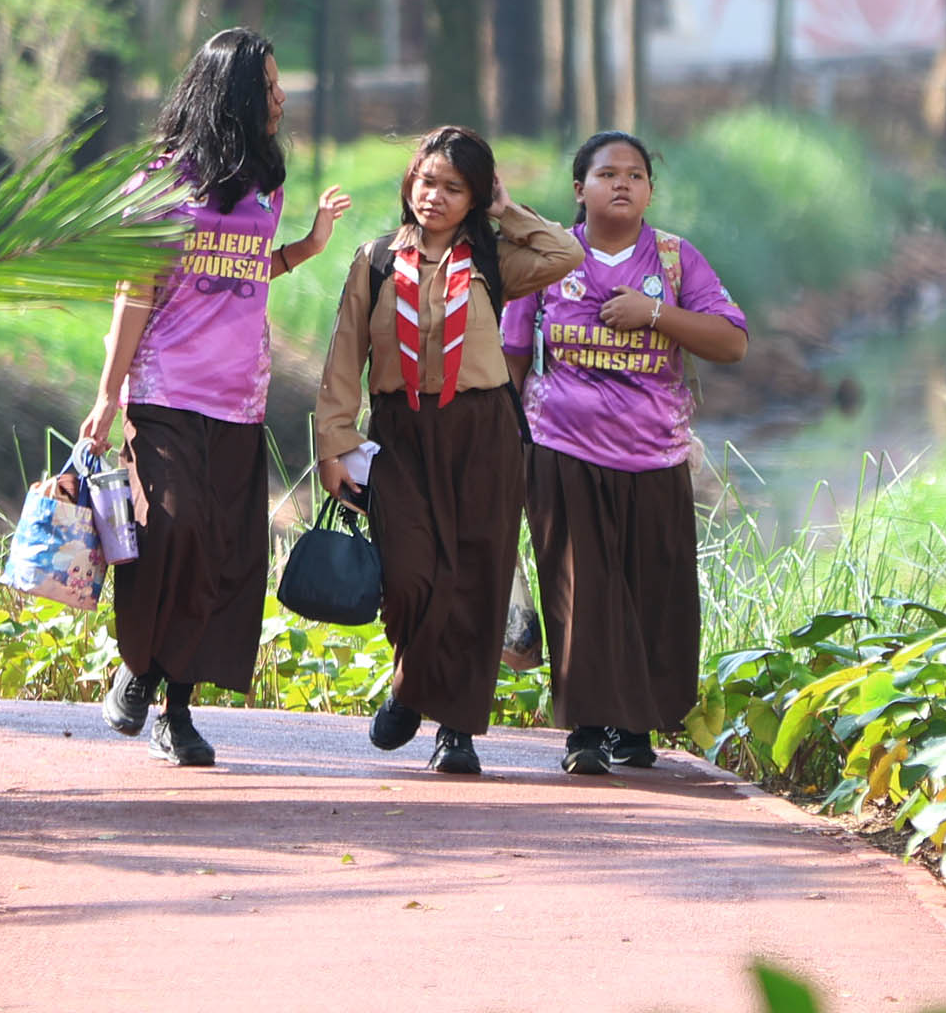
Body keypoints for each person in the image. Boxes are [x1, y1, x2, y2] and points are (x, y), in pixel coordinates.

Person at [79, 28, 350, 768]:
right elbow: (135, 292)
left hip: (241, 398)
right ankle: (138, 667)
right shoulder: (162, 183)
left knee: (224, 555)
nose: (281, 97)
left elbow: (247, 269)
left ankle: (177, 706)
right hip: (165, 391)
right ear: (231, 95)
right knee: (174, 532)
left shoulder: (267, 182)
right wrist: (108, 395)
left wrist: (306, 248)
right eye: (268, 86)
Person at [316, 126, 578, 776]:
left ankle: (455, 730)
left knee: (476, 578)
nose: (434, 196)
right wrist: (334, 443)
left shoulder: (492, 260)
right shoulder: (376, 260)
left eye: (454, 188)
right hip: (401, 435)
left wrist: (506, 210)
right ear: (410, 183)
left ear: (475, 197)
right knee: (409, 574)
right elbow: (345, 354)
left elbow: (564, 252)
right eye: (426, 181)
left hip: (483, 434)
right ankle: (411, 685)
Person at [500, 132, 748, 775]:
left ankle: (634, 730)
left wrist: (655, 313)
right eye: (607, 173)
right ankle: (585, 732)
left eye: (635, 175)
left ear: (650, 193)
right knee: (580, 591)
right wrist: (505, 446)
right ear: (579, 189)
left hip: (655, 457)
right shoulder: (550, 257)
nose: (622, 184)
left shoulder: (675, 259)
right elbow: (514, 356)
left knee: (651, 595)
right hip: (562, 451)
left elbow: (731, 341)